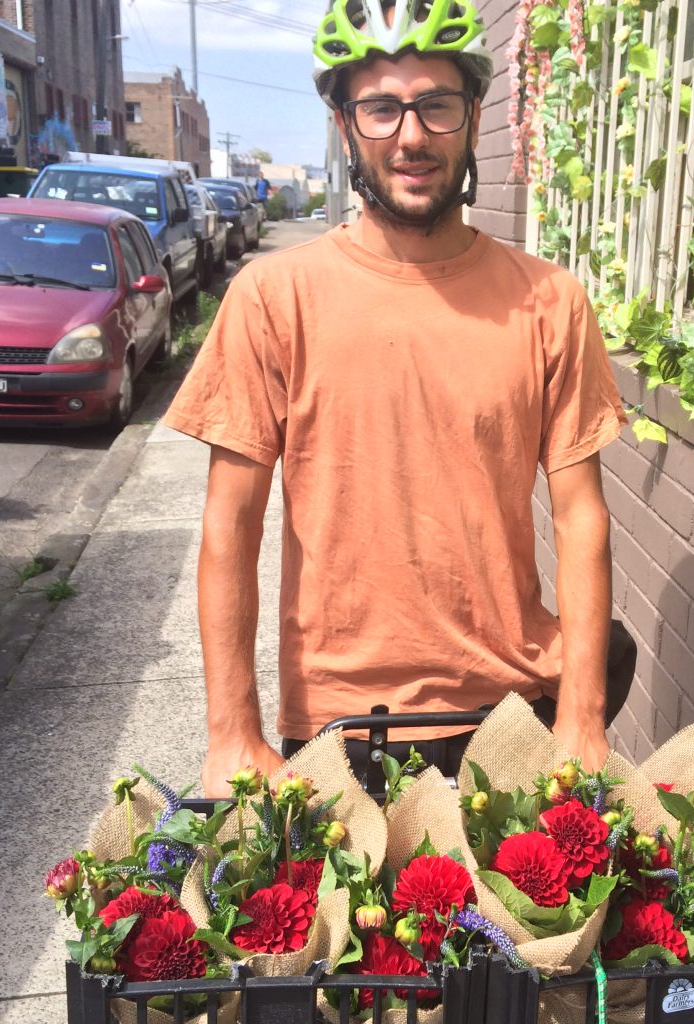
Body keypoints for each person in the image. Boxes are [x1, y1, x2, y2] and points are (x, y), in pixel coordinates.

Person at [163, 0, 629, 798]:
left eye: (435, 105)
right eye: (380, 108)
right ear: (345, 124)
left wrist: (583, 717)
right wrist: (232, 730)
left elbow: (581, 512)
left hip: (517, 719)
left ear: (473, 116)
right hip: (341, 733)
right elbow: (230, 521)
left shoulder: (550, 301)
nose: (410, 136)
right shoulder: (275, 298)